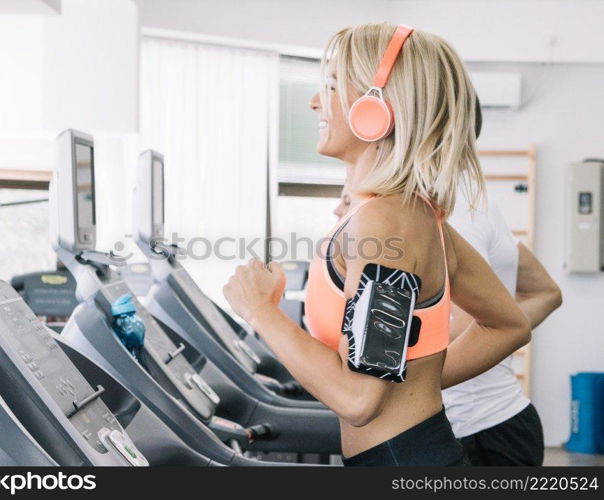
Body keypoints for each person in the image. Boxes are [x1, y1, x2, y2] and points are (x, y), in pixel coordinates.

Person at [223, 23, 531, 466]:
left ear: (375, 108)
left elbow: (359, 400)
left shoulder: (387, 223)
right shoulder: (407, 212)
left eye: (330, 86)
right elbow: (508, 325)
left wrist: (261, 312)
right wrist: (416, 383)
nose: (314, 102)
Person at [445, 192, 562, 465]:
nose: (339, 212)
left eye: (347, 201)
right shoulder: (473, 205)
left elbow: (464, 328)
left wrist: (497, 331)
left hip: (477, 431)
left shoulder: (459, 212)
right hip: (493, 425)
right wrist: (501, 329)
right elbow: (546, 292)